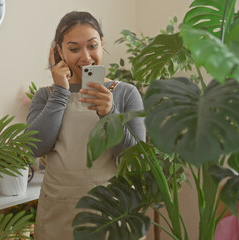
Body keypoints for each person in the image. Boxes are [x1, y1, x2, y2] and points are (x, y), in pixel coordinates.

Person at [25, 11, 146, 240]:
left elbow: (137, 156)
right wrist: (60, 91)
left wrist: (110, 114)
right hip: (59, 211)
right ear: (59, 51)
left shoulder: (124, 93)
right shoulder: (45, 96)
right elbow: (36, 147)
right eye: (73, 49)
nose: (86, 57)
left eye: (92, 45)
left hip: (112, 208)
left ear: (102, 45)